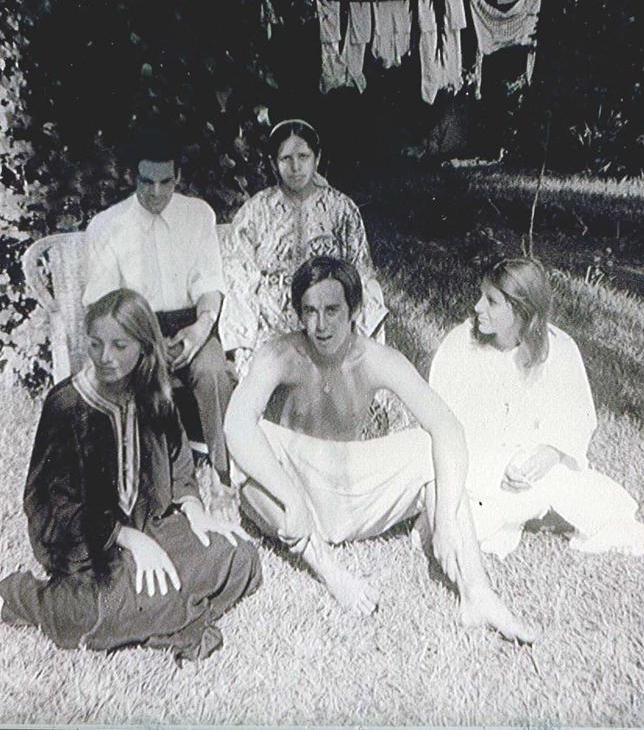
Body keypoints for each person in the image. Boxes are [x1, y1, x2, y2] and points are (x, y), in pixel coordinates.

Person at [224, 255, 536, 642]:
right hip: (292, 497)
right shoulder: (281, 355)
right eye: (310, 311)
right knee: (253, 446)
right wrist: (291, 499)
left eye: (332, 310)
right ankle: (332, 573)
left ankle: (478, 594)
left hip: (352, 488)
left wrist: (445, 518)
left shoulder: (375, 359)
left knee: (428, 446)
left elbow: (448, 428)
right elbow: (236, 424)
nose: (321, 325)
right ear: (300, 314)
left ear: (354, 310)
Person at [0, 289, 261, 658]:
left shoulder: (155, 394)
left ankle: (157, 602)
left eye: (119, 345)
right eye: (96, 344)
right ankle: (24, 598)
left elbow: (179, 462)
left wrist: (195, 512)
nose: (105, 357)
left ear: (143, 346)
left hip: (153, 526)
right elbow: (52, 507)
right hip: (92, 545)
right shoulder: (66, 404)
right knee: (98, 610)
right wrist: (130, 539)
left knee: (239, 557)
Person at [429, 257, 644, 560]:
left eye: (491, 301)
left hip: (532, 467)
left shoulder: (558, 348)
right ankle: (525, 514)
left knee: (580, 492)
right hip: (476, 467)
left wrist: (551, 453)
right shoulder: (461, 345)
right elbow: (443, 422)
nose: (477, 307)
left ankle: (536, 510)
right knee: (468, 520)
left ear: (520, 309)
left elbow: (576, 418)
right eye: (481, 296)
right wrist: (496, 464)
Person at [83, 130, 233, 489]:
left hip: (191, 322)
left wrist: (199, 330)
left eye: (166, 181)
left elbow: (210, 285)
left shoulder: (198, 215)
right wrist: (146, 341)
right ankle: (153, 478)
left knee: (213, 372)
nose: (156, 192)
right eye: (146, 181)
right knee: (137, 379)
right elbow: (104, 307)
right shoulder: (107, 225)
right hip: (133, 327)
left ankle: (224, 473)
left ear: (178, 176)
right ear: (132, 176)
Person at [219, 119, 388, 379]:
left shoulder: (341, 209)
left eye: (303, 157)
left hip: (326, 319)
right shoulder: (256, 211)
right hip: (271, 323)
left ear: (317, 159)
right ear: (274, 163)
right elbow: (239, 279)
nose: (295, 167)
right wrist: (244, 347)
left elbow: (360, 273)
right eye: (286, 158)